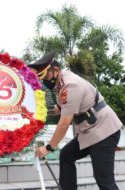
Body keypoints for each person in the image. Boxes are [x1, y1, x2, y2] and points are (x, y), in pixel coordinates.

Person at [28, 51, 123, 190]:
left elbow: (64, 122)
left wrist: (48, 147)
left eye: (45, 76)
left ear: (55, 70)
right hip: (89, 131)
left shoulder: (70, 85)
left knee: (104, 180)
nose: (44, 81)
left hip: (104, 131)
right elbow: (60, 108)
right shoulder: (60, 83)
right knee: (66, 155)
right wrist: (39, 111)